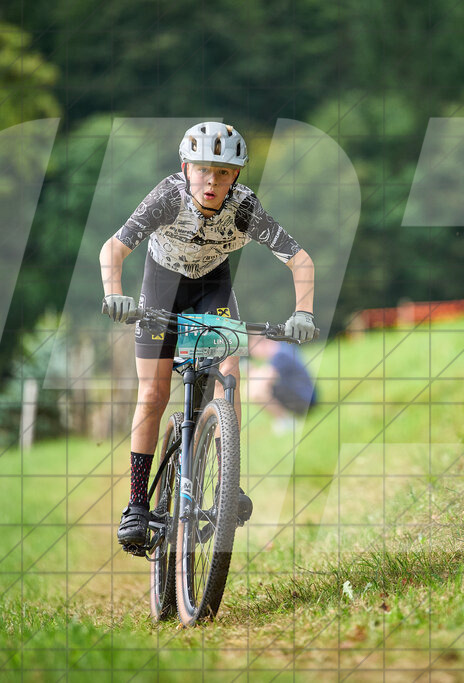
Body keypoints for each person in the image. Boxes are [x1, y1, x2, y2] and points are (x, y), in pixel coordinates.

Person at [99, 122, 316, 550]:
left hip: (212, 288)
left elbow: (301, 260)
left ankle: (226, 484)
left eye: (223, 172)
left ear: (236, 176)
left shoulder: (244, 207)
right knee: (153, 393)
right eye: (202, 169)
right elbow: (114, 248)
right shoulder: (168, 197)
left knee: (228, 373)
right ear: (186, 168)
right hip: (161, 287)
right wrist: (114, 294)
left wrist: (303, 312)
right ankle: (137, 504)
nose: (212, 181)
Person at [247, 336, 317, 430]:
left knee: (257, 393)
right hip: (307, 395)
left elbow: (262, 383)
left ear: (261, 344)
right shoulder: (283, 347)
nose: (253, 353)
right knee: (257, 389)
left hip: (306, 400)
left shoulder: (280, 355)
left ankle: (286, 422)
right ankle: (284, 420)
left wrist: (253, 375)